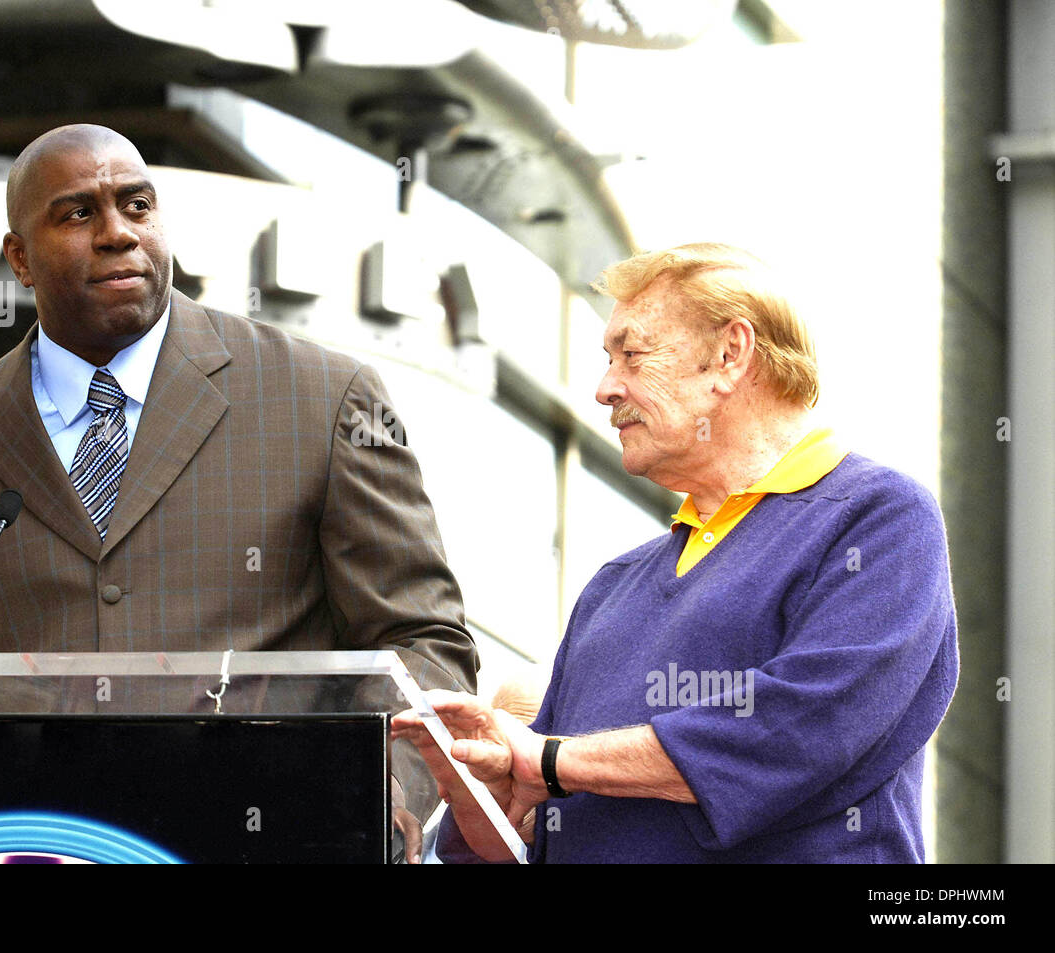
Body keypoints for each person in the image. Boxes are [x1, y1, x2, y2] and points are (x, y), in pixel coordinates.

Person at [0, 124, 479, 860]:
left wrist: (380, 791)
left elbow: (421, 641)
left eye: (137, 205)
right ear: (20, 260)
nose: (118, 233)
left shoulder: (323, 399)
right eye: (77, 213)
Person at [393, 242, 958, 863]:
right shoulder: (615, 585)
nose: (606, 388)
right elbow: (522, 830)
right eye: (608, 360)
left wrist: (551, 759)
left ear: (729, 355)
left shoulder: (877, 516)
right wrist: (486, 789)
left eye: (631, 355)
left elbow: (802, 729)